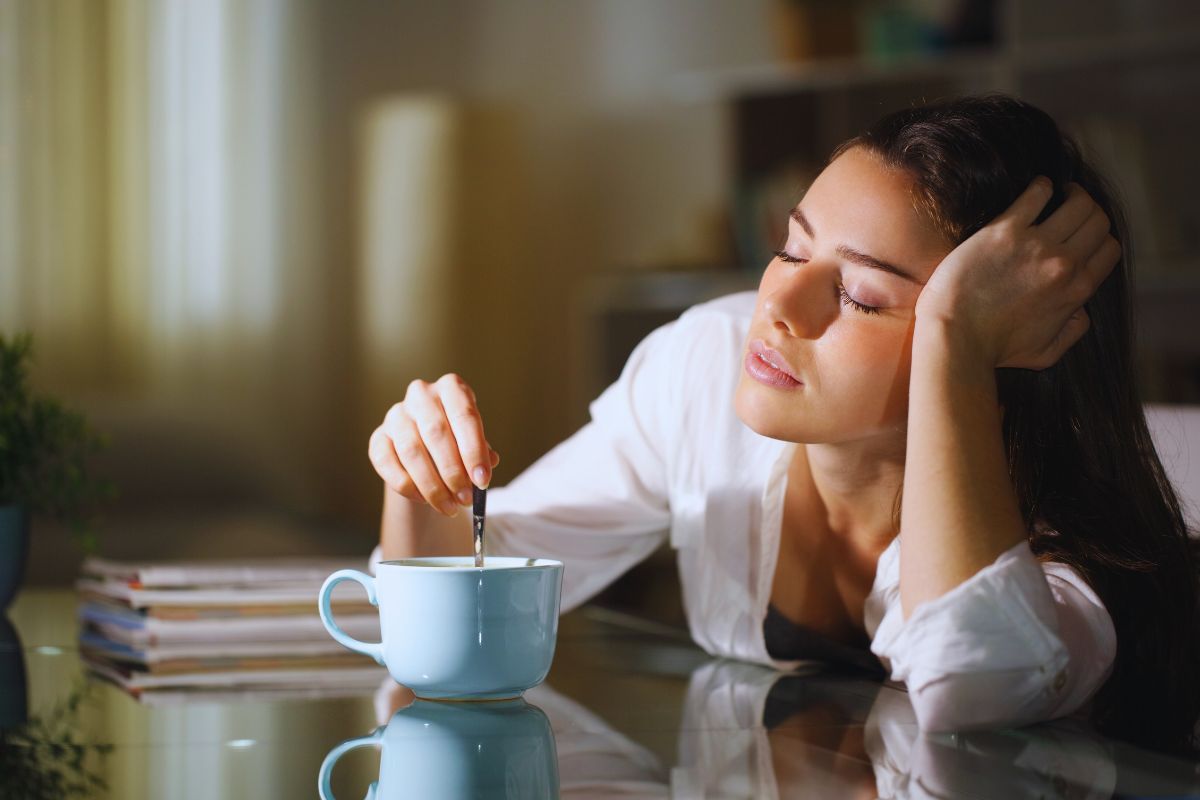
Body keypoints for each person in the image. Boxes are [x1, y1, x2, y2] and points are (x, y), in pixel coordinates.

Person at [366, 94, 1200, 754]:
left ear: (1001, 335)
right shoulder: (703, 366)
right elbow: (475, 581)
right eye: (794, 250)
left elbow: (970, 686)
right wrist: (418, 482)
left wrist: (954, 342)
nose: (780, 305)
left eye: (863, 296)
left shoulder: (1071, 544)